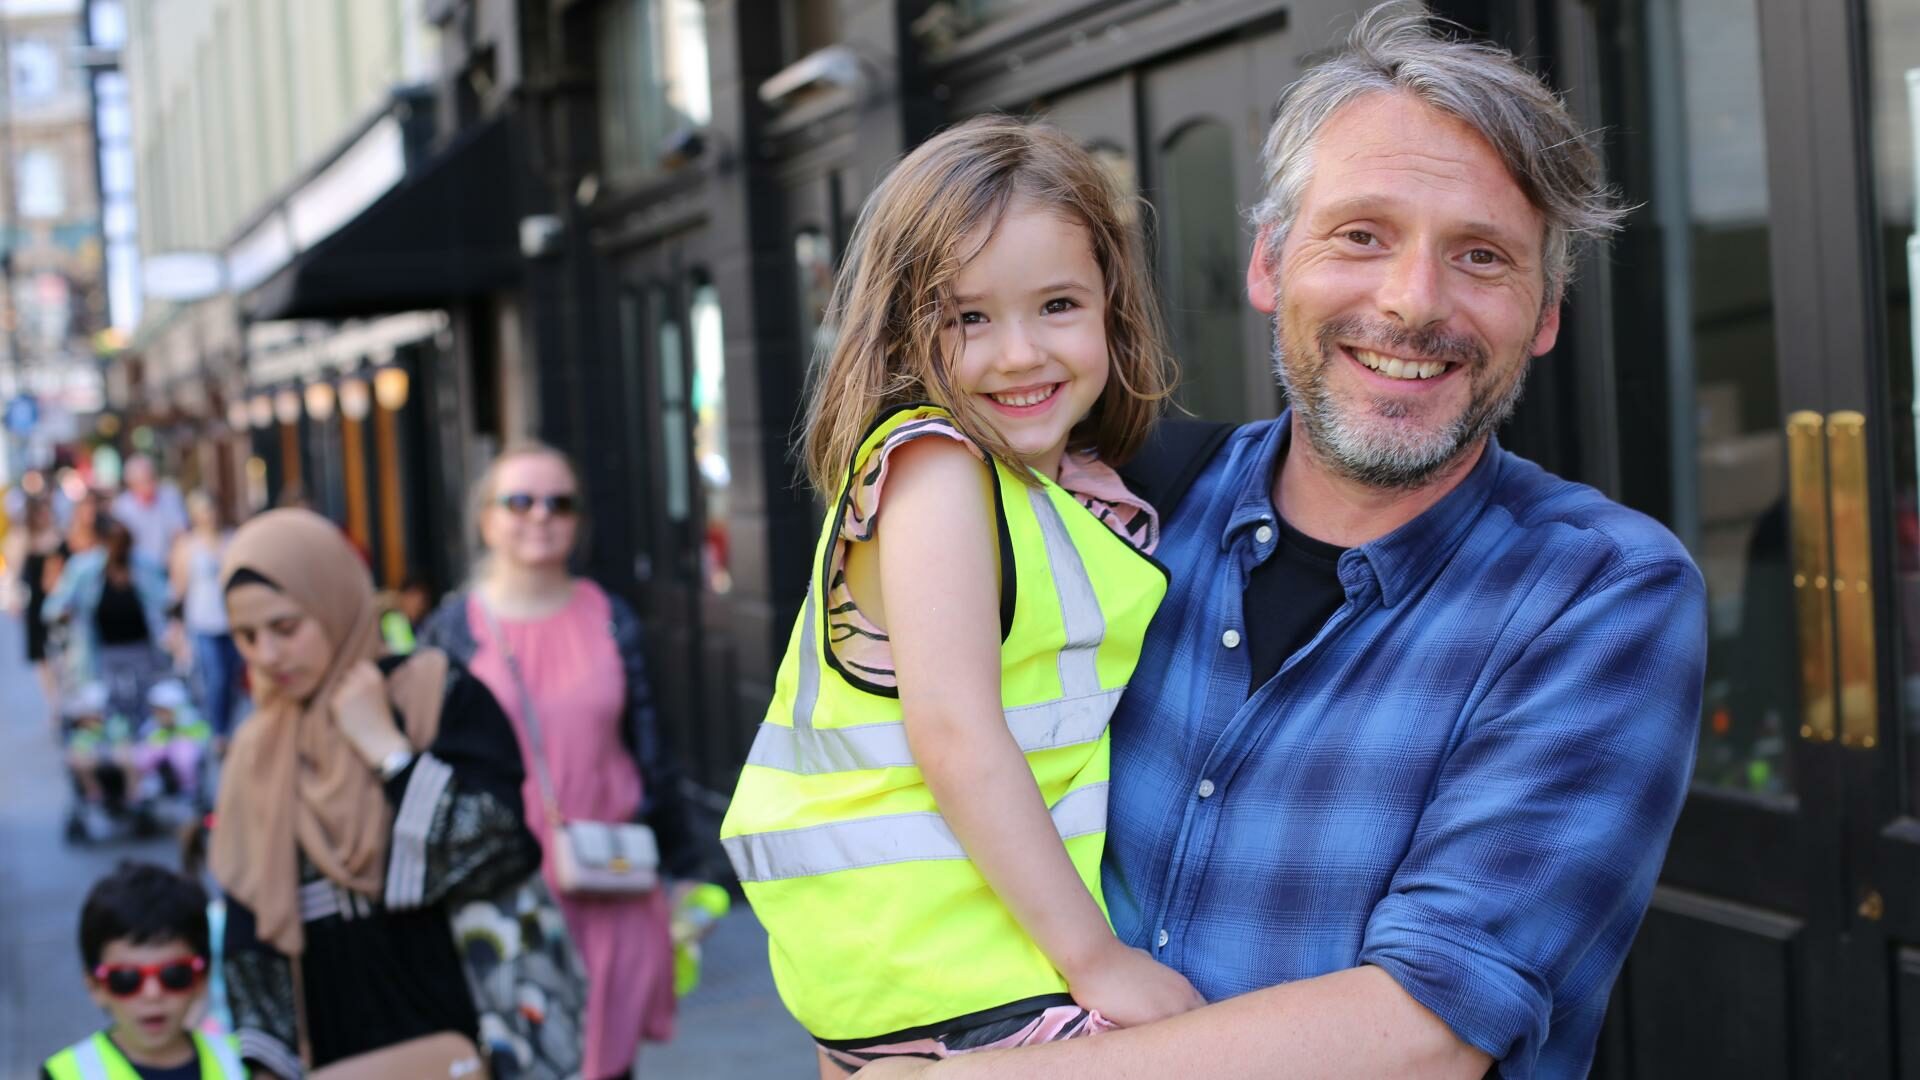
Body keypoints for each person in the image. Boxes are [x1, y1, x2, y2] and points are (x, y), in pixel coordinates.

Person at [852, 9, 1710, 1079]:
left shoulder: (1597, 592)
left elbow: (1426, 1033)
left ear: (1544, 312)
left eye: (1483, 256)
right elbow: (906, 761)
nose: (1410, 302)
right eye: (1361, 236)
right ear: (1268, 263)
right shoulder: (1120, 514)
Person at [719, 115, 1199, 1077]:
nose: (1018, 353)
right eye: (967, 317)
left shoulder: (1045, 489)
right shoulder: (938, 469)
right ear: (901, 328)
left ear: (1111, 301)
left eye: (1057, 304)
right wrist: (1097, 960)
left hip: (950, 959)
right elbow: (954, 730)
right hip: (952, 967)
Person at [209, 508, 553, 1078]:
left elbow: (501, 851)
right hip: (332, 1043)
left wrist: (388, 752)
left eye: (286, 627)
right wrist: (268, 1066)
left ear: (333, 601)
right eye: (247, 637)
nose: (267, 655)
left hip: (467, 1027)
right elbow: (250, 930)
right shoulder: (255, 749)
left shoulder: (433, 694)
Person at [420, 442, 701, 1080]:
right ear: (486, 519)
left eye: (559, 502)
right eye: (519, 501)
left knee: (606, 1062)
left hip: (609, 875)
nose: (540, 515)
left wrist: (682, 870)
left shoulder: (611, 617)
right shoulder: (452, 630)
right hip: (505, 890)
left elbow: (651, 749)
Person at [40, 861, 246, 1080]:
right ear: (94, 986)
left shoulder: (241, 1063)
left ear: (202, 978)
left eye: (174, 975)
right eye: (127, 979)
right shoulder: (66, 1073)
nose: (152, 994)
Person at [45, 518, 173, 730]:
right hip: (102, 654)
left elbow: (165, 600)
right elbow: (55, 606)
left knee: (147, 712)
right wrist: (65, 613)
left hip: (143, 650)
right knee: (107, 713)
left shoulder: (143, 565)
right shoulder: (86, 569)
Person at [169, 492, 243, 743]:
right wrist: (177, 629)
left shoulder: (231, 539)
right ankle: (218, 731)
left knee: (233, 678)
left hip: (232, 620)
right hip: (203, 622)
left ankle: (228, 725)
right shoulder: (188, 545)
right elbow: (178, 589)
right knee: (215, 678)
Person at [4, 493, 65, 728]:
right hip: (36, 605)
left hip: (59, 602)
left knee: (61, 654)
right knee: (43, 657)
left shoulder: (57, 534)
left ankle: (64, 699)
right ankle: (54, 704)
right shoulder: (22, 538)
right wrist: (12, 599)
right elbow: (14, 573)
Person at [131, 679, 210, 803]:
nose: (158, 714)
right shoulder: (153, 725)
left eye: (162, 710)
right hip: (160, 776)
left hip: (190, 778)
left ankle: (190, 794)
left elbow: (201, 740)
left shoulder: (190, 720)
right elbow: (148, 742)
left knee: (183, 755)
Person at [112, 455, 189, 569]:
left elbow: (180, 532)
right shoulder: (122, 507)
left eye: (151, 478)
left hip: (170, 564)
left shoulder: (169, 495)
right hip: (138, 570)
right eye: (143, 481)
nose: (149, 485)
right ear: (131, 483)